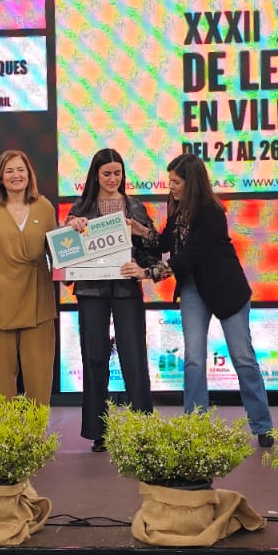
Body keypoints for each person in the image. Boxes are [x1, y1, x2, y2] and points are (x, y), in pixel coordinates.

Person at [122, 153, 274, 446]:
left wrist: (147, 273)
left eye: (176, 182)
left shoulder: (211, 211)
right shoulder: (177, 205)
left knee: (243, 358)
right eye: (170, 181)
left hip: (226, 291)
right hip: (192, 288)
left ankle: (262, 425)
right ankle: (196, 425)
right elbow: (168, 242)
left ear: (191, 182)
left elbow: (188, 255)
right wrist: (142, 231)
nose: (171, 186)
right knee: (193, 358)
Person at [65, 148, 159, 450]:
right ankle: (98, 431)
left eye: (117, 173)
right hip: (91, 290)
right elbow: (65, 251)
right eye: (106, 173)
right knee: (94, 357)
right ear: (95, 175)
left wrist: (141, 257)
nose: (112, 179)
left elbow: (154, 246)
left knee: (134, 355)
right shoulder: (80, 207)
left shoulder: (134, 206)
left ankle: (141, 428)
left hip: (126, 288)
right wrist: (71, 227)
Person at [0, 149, 58, 404]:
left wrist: (77, 233)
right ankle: (3, 430)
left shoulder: (44, 207)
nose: (16, 175)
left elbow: (58, 250)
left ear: (29, 174)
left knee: (39, 377)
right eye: (9, 171)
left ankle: (36, 428)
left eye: (21, 170)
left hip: (37, 301)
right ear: (0, 177)